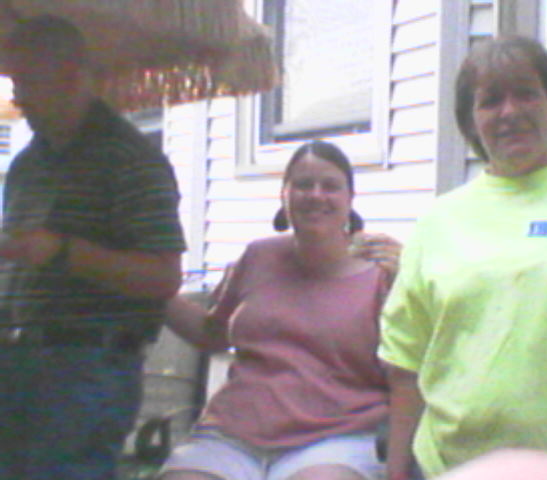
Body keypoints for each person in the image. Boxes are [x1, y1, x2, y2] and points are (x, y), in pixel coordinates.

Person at [378, 35, 547, 480]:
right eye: (490, 101)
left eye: (526, 93)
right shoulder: (438, 222)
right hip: (455, 469)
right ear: (470, 121)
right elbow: (406, 364)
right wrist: (397, 471)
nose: (510, 112)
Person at [0, 14, 186, 480]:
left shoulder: (131, 159)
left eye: (27, 82)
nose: (18, 98)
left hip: (89, 368)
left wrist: (64, 252)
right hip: (17, 361)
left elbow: (163, 277)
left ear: (72, 77)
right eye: (14, 83)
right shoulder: (26, 165)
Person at [159, 140, 400, 480]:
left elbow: (407, 373)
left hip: (335, 438)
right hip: (233, 436)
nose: (315, 195)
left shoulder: (382, 274)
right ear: (284, 196)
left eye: (330, 186)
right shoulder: (258, 257)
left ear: (350, 199)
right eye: (303, 184)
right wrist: (152, 291)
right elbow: (212, 334)